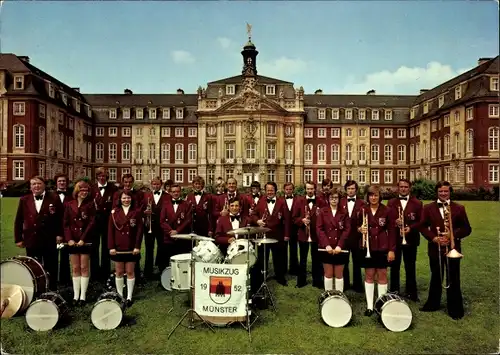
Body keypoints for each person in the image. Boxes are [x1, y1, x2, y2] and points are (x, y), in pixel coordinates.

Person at [419, 181, 471, 320]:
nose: (443, 194)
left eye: (446, 191)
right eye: (440, 191)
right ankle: (432, 304)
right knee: (436, 276)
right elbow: (422, 226)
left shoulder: (459, 208)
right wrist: (434, 238)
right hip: (435, 248)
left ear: (450, 192)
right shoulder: (428, 208)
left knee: (453, 277)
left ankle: (455, 309)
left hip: (453, 248)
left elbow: (467, 228)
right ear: (437, 192)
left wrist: (452, 235)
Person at [14, 176, 63, 290]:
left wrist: (60, 234)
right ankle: (37, 289)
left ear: (44, 185)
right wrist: (18, 238)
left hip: (49, 239)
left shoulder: (54, 198)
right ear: (30, 187)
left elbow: (61, 218)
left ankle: (52, 289)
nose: (36, 186)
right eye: (34, 184)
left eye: (39, 183)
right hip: (32, 239)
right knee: (34, 266)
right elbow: (18, 220)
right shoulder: (24, 200)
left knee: (51, 266)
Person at [357, 185, 396, 316]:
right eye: (371, 195)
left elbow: (391, 232)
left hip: (382, 247)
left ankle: (381, 305)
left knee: (382, 274)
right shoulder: (362, 209)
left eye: (376, 195)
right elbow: (355, 225)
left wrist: (391, 250)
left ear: (380, 197)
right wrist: (359, 229)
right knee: (369, 275)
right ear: (368, 197)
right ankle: (369, 306)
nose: (373, 198)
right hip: (367, 246)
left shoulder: (387, 210)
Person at [387, 179, 423, 301]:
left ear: (410, 188)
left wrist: (410, 228)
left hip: (411, 239)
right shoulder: (391, 202)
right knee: (394, 267)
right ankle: (394, 291)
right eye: (401, 186)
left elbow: (421, 222)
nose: (403, 189)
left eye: (406, 187)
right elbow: (387, 220)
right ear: (398, 188)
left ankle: (411, 292)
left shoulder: (417, 203)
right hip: (396, 239)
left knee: (410, 266)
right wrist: (394, 221)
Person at [108, 190, 144, 307]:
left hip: (131, 247)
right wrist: (111, 247)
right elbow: (110, 231)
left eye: (128, 198)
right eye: (123, 198)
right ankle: (119, 296)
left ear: (131, 199)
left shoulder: (136, 212)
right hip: (118, 247)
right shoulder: (114, 212)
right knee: (118, 272)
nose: (126, 200)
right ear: (120, 199)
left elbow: (139, 231)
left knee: (129, 271)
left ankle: (129, 296)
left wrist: (137, 246)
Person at [250, 182, 289, 286]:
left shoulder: (282, 202)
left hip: (278, 235)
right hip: (264, 236)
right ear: (265, 191)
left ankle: (280, 277)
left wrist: (286, 235)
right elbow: (253, 215)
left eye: (272, 190)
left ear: (275, 191)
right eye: (268, 190)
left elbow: (287, 219)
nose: (270, 192)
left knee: (279, 258)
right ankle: (262, 277)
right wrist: (257, 221)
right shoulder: (261, 201)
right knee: (263, 258)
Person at [63, 180, 96, 305]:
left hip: (85, 240)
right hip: (72, 240)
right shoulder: (69, 204)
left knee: (84, 267)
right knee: (75, 268)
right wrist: (69, 239)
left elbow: (92, 223)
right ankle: (75, 296)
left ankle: (83, 296)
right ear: (77, 191)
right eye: (82, 190)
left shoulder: (90, 204)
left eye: (86, 191)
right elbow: (65, 224)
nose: (84, 193)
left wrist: (83, 239)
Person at [316, 189, 351, 292]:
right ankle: (328, 296)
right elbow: (319, 229)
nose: (334, 200)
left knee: (339, 274)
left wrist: (340, 245)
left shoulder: (344, 212)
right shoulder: (323, 211)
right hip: (327, 247)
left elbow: (347, 229)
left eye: (336, 198)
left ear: (339, 199)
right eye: (332, 198)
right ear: (328, 199)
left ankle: (339, 296)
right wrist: (326, 245)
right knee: (328, 273)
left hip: (340, 247)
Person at [293, 181, 323, 288]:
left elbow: (324, 217)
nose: (310, 191)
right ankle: (301, 281)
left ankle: (317, 281)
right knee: (303, 260)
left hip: (316, 235)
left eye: (311, 189)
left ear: (315, 189)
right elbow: (294, 218)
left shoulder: (321, 201)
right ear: (305, 189)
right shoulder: (299, 201)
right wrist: (302, 220)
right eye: (308, 189)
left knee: (317, 260)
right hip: (303, 234)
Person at [90, 167, 117, 281]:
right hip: (94, 222)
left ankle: (105, 273)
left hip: (107, 221)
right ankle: (95, 273)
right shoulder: (91, 188)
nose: (102, 178)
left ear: (107, 177)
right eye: (100, 176)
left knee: (107, 247)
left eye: (104, 176)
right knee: (94, 248)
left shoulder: (113, 188)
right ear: (97, 177)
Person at [339, 180, 365, 292]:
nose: (350, 191)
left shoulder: (362, 203)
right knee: (344, 261)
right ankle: (344, 285)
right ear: (346, 190)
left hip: (357, 236)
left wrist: (361, 227)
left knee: (357, 261)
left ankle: (357, 285)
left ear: (356, 190)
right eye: (349, 189)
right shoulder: (340, 202)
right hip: (344, 237)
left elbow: (365, 219)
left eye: (353, 188)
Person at [143, 177, 169, 279]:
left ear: (161, 184)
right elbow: (141, 209)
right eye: (154, 184)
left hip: (162, 227)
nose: (155, 186)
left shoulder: (167, 196)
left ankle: (162, 270)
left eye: (157, 184)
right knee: (149, 248)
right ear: (151, 185)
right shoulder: (146, 196)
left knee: (162, 248)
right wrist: (145, 212)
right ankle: (148, 271)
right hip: (149, 226)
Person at [54, 173, 73, 286]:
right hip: (53, 232)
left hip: (67, 231)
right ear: (56, 182)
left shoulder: (71, 196)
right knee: (53, 257)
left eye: (64, 181)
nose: (62, 183)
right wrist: (57, 233)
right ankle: (53, 280)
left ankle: (65, 280)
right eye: (60, 181)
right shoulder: (50, 196)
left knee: (66, 256)